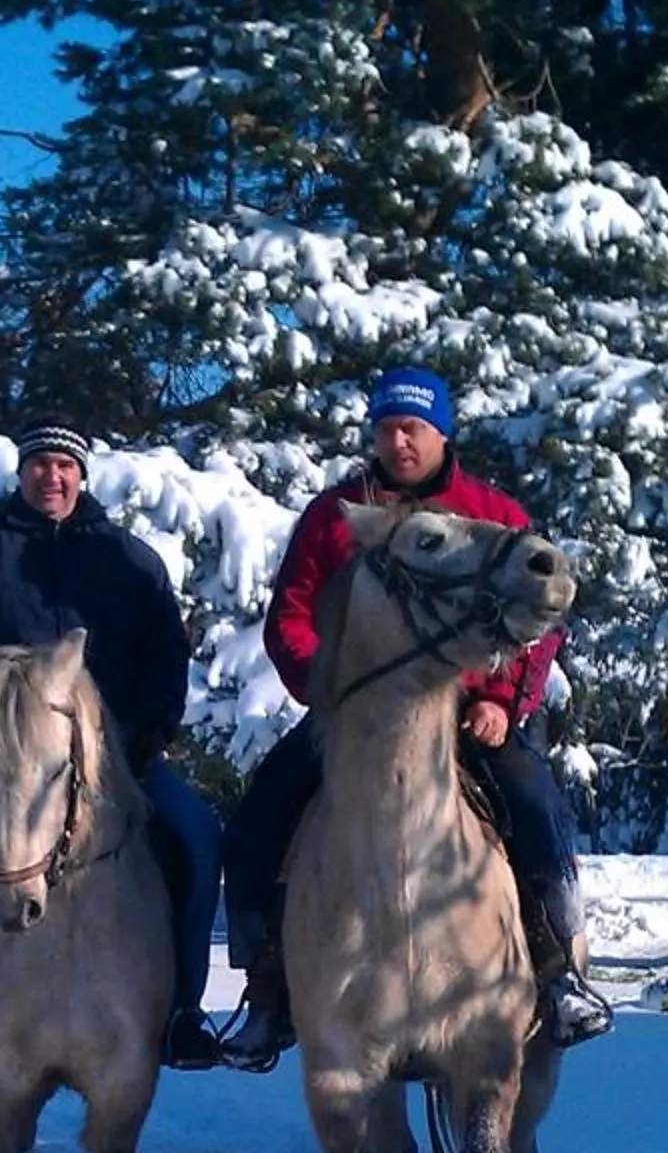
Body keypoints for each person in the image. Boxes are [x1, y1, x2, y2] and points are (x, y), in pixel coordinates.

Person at [220, 364, 612, 1071]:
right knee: (257, 821)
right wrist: (326, 681)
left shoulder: (491, 514)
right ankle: (268, 989)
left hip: (466, 716)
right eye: (388, 429)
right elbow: (293, 615)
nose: (399, 442)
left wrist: (500, 703)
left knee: (535, 803)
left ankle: (557, 975)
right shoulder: (336, 517)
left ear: (442, 433)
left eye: (414, 429)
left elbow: (538, 626)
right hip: (357, 718)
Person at [0, 419, 226, 1075]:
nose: (52, 476)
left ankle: (184, 1009)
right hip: (1, 761)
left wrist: (147, 734)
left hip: (118, 760)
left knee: (200, 836)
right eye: (39, 464)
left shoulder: (129, 561)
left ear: (82, 474)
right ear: (21, 473)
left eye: (64, 465)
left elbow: (166, 655)